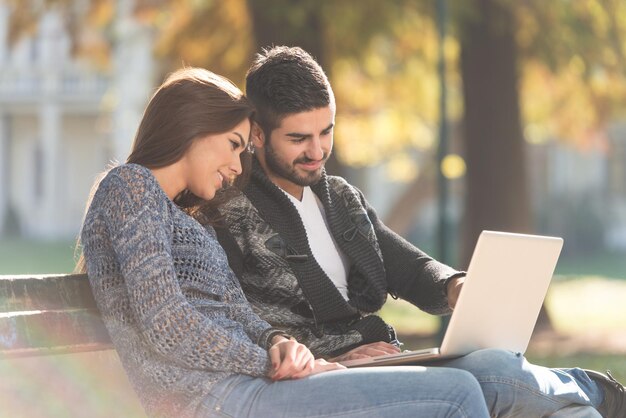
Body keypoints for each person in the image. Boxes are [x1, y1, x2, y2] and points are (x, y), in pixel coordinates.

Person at [214, 46, 626, 418]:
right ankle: (600, 392)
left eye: (327, 131)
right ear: (257, 134)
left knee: (509, 372)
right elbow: (233, 323)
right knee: (497, 378)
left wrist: (456, 286)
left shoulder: (339, 198)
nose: (318, 151)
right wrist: (332, 357)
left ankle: (594, 397)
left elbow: (408, 267)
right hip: (322, 376)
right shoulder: (230, 213)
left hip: (380, 361)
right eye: (299, 138)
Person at [77, 67, 492, 418]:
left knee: (481, 378)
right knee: (456, 395)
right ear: (195, 127)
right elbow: (166, 323)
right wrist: (271, 362)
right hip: (211, 399)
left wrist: (281, 345)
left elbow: (240, 314)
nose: (239, 166)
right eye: (234, 146)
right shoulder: (130, 186)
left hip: (249, 386)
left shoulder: (189, 219)